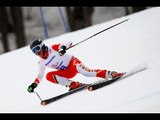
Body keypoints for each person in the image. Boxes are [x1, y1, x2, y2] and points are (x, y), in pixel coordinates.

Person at [27, 39, 124, 93]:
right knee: (49, 76)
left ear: (43, 46)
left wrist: (63, 48)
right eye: (34, 51)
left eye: (37, 49)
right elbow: (40, 75)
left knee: (87, 73)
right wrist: (34, 84)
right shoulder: (41, 62)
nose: (37, 53)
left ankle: (112, 74)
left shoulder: (52, 48)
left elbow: (68, 42)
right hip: (66, 73)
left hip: (72, 63)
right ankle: (73, 84)